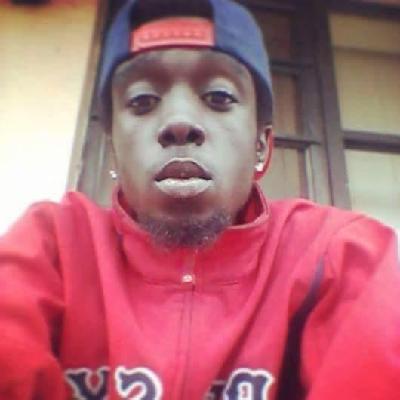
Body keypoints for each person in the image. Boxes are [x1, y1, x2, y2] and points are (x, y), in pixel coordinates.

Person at [0, 0, 399, 399]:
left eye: (219, 96)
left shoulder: (339, 257)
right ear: (115, 150)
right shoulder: (54, 247)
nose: (179, 122)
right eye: (142, 100)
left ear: (261, 147)